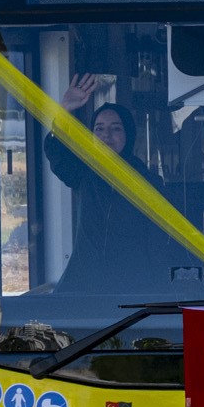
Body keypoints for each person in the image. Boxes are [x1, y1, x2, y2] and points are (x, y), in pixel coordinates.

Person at [43, 75, 165, 289]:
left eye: (116, 128)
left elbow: (156, 244)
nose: (106, 135)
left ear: (129, 134)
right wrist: (64, 109)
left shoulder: (149, 181)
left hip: (134, 290)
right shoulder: (83, 171)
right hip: (84, 287)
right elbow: (56, 152)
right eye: (99, 128)